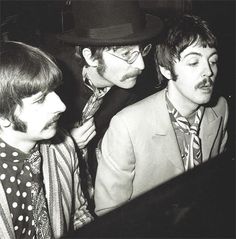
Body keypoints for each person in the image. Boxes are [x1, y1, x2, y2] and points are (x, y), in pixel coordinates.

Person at [94, 14, 229, 216]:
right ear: (166, 69)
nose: (208, 72)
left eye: (214, 61)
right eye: (194, 63)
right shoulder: (127, 126)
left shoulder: (220, 109)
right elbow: (108, 213)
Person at [56, 0, 163, 200]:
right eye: (127, 54)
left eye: (142, 50)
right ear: (91, 58)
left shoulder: (132, 89)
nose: (140, 65)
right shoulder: (50, 84)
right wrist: (63, 145)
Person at [0, 41, 93, 238]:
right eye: (40, 100)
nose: (61, 106)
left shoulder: (62, 145)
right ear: (3, 116)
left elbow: (78, 214)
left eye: (54, 91)